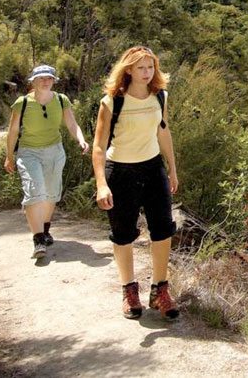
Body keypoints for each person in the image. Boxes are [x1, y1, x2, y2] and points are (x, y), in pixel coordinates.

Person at [91, 46, 180, 320]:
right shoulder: (112, 102)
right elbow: (98, 146)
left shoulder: (159, 96)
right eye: (141, 67)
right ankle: (129, 291)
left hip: (153, 169)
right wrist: (101, 184)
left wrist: (172, 170)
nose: (147, 73)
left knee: (163, 229)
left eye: (151, 67)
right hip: (121, 171)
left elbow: (163, 132)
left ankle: (160, 291)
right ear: (128, 69)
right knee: (123, 233)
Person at [4, 65, 89, 259]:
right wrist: (9, 156)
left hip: (55, 151)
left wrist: (81, 139)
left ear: (54, 81)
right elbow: (13, 131)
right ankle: (38, 239)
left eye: (49, 78)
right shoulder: (22, 102)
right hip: (29, 152)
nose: (45, 81)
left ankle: (45, 229)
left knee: (51, 193)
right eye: (41, 78)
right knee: (35, 190)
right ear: (32, 81)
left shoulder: (61, 100)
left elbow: (71, 123)